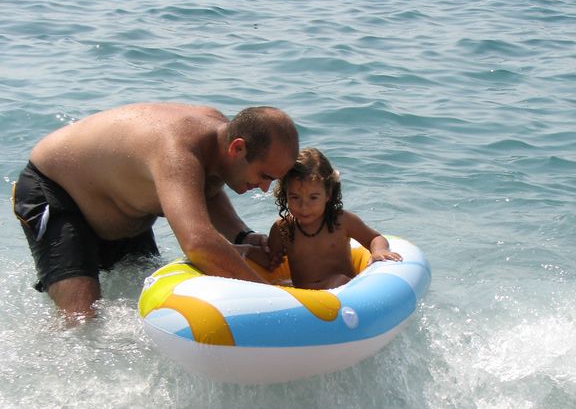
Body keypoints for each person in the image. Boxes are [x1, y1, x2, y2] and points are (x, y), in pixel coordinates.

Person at [13, 102, 299, 321]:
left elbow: (205, 188)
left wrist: (243, 236)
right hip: (57, 192)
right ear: (238, 148)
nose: (265, 188)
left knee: (142, 305)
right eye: (264, 176)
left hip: (124, 212)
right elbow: (198, 245)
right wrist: (277, 301)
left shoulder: (219, 141)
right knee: (81, 318)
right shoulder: (179, 151)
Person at [268, 147, 402, 290]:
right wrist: (253, 251)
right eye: (295, 197)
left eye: (313, 198)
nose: (304, 206)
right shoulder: (283, 228)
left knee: (340, 279)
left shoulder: (341, 221)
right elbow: (269, 258)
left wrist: (379, 251)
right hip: (304, 297)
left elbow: (374, 238)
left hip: (342, 292)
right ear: (285, 194)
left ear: (328, 194)